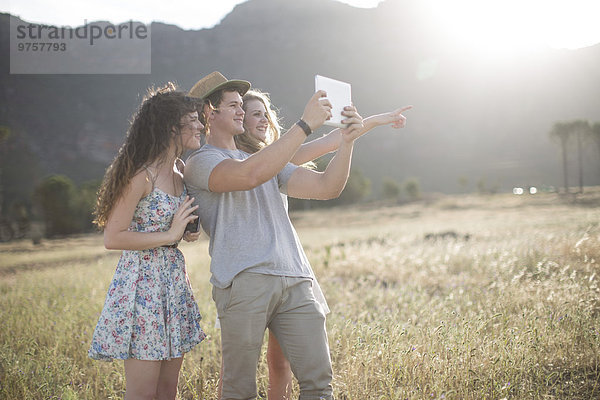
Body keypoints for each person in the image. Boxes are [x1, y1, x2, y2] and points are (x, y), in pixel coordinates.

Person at [184, 70, 364, 400]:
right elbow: (248, 175)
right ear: (209, 113)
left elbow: (326, 187)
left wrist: (347, 143)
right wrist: (305, 125)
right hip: (245, 280)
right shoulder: (201, 162)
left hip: (296, 279)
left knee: (319, 385)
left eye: (242, 105)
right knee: (239, 390)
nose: (241, 111)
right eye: (233, 105)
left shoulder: (266, 159)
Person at [236, 88, 411, 400]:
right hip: (248, 270)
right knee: (238, 370)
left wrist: (379, 120)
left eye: (265, 113)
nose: (262, 119)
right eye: (254, 114)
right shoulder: (239, 161)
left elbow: (334, 141)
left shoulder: (280, 154)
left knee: (281, 360)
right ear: (240, 121)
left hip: (285, 265)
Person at [89, 83, 206, 400]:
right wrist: (169, 235)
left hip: (173, 282)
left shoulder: (180, 170)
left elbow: (178, 231)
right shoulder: (140, 175)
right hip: (142, 288)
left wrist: (186, 231)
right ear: (171, 128)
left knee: (168, 391)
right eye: (193, 120)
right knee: (143, 393)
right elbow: (113, 237)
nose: (200, 125)